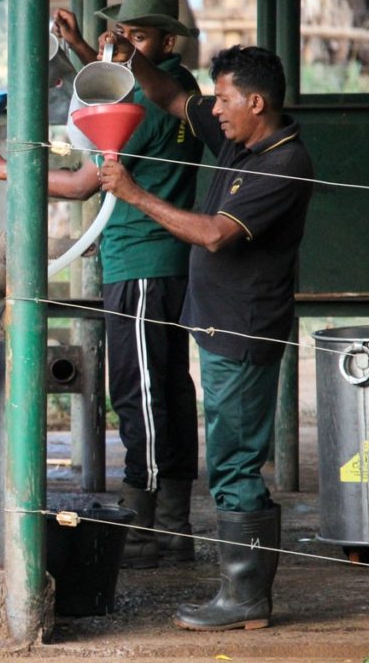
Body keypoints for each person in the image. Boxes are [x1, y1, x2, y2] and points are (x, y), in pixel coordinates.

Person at [0, 0, 204, 570]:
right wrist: (79, 47)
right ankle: (174, 525)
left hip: (140, 263)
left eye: (138, 37)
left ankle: (149, 528)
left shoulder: (142, 107)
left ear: (165, 43)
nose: (122, 45)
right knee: (168, 391)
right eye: (120, 35)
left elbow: (83, 183)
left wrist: (6, 169)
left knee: (138, 396)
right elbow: (121, 86)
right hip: (165, 265)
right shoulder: (183, 93)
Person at [98, 41, 314, 631]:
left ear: (256, 101)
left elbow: (217, 234)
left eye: (223, 99)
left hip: (245, 332)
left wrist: (135, 195)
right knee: (229, 458)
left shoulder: (282, 164)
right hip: (221, 327)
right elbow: (170, 95)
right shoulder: (240, 143)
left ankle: (244, 596)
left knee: (235, 464)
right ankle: (241, 592)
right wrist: (127, 58)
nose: (213, 110)